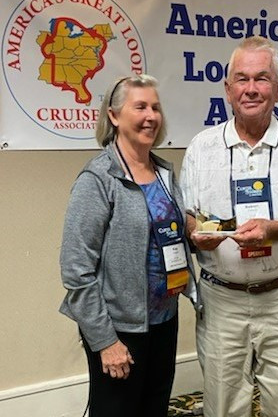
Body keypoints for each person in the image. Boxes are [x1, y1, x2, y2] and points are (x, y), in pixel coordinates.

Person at [180, 36, 278, 417]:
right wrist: (197, 235)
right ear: (227, 89)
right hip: (221, 301)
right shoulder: (201, 147)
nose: (251, 89)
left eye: (262, 79)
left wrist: (273, 229)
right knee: (223, 407)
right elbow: (187, 214)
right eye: (242, 79)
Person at [59, 75, 197, 417]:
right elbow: (76, 269)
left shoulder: (164, 173)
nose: (150, 115)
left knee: (154, 408)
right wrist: (105, 341)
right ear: (114, 116)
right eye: (140, 107)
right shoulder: (98, 179)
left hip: (164, 318)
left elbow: (168, 235)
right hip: (120, 328)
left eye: (155, 107)